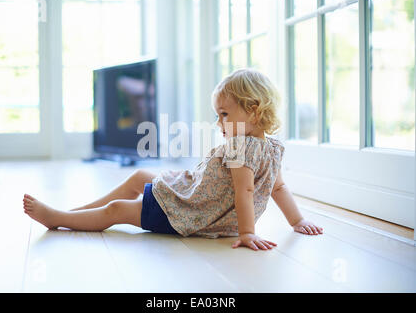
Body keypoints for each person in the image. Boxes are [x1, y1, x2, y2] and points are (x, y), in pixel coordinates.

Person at [23, 68, 323, 251]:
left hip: (189, 212)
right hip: (191, 195)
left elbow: (248, 191)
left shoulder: (241, 147)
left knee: (117, 210)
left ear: (254, 110)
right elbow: (279, 187)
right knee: (140, 177)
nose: (219, 122)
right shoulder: (269, 146)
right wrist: (297, 220)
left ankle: (60, 219)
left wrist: (247, 233)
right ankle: (76, 214)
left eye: (224, 114)